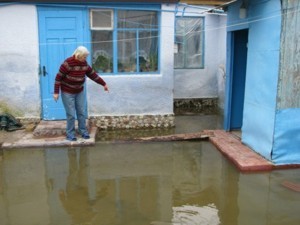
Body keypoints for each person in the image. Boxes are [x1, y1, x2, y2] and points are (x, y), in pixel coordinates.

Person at [53, 46, 109, 141]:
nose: (85, 59)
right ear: (78, 55)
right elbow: (58, 78)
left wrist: (103, 84)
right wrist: (56, 92)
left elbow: (92, 75)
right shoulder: (67, 64)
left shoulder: (84, 64)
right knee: (71, 114)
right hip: (67, 92)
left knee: (82, 112)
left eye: (86, 57)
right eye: (84, 56)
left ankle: (83, 131)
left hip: (79, 91)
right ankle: (70, 134)